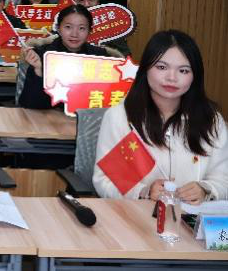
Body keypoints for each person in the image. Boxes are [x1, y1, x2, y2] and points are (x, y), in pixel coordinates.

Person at [93, 30, 228, 203]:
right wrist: (143, 192)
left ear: (195, 76)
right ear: (146, 69)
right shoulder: (121, 118)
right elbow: (105, 180)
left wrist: (206, 189)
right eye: (162, 67)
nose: (172, 78)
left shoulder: (211, 120)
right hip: (137, 215)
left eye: (183, 70)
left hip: (192, 217)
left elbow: (223, 179)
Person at [19, 5, 111, 109]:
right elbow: (28, 104)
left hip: (88, 117)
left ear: (90, 31)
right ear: (58, 29)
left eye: (81, 28)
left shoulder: (100, 56)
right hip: (49, 117)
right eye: (68, 27)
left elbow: (109, 99)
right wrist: (38, 71)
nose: (74, 34)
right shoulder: (42, 55)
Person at [67, 0, 131, 56]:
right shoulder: (64, 25)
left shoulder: (110, 25)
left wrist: (105, 50)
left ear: (98, 1)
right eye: (81, 0)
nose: (87, 4)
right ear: (71, 2)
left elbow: (126, 56)